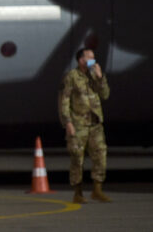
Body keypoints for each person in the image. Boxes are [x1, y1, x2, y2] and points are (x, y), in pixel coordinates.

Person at [59, 48, 111, 203]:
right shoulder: (72, 77)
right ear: (81, 60)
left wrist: (101, 78)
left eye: (93, 58)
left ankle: (97, 190)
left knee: (100, 155)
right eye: (90, 58)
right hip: (78, 124)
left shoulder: (94, 75)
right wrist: (67, 122)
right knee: (77, 158)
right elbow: (64, 101)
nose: (93, 61)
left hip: (95, 124)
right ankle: (78, 193)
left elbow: (105, 95)